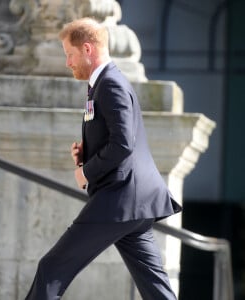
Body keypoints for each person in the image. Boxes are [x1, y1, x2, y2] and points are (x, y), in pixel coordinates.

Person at [24, 17, 182, 300]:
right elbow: (116, 137)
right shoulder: (104, 83)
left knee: (51, 268)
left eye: (69, 55)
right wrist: (87, 153)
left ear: (87, 49)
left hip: (119, 199)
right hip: (134, 203)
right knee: (156, 290)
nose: (67, 63)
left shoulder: (111, 85)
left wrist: (87, 172)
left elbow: (123, 144)